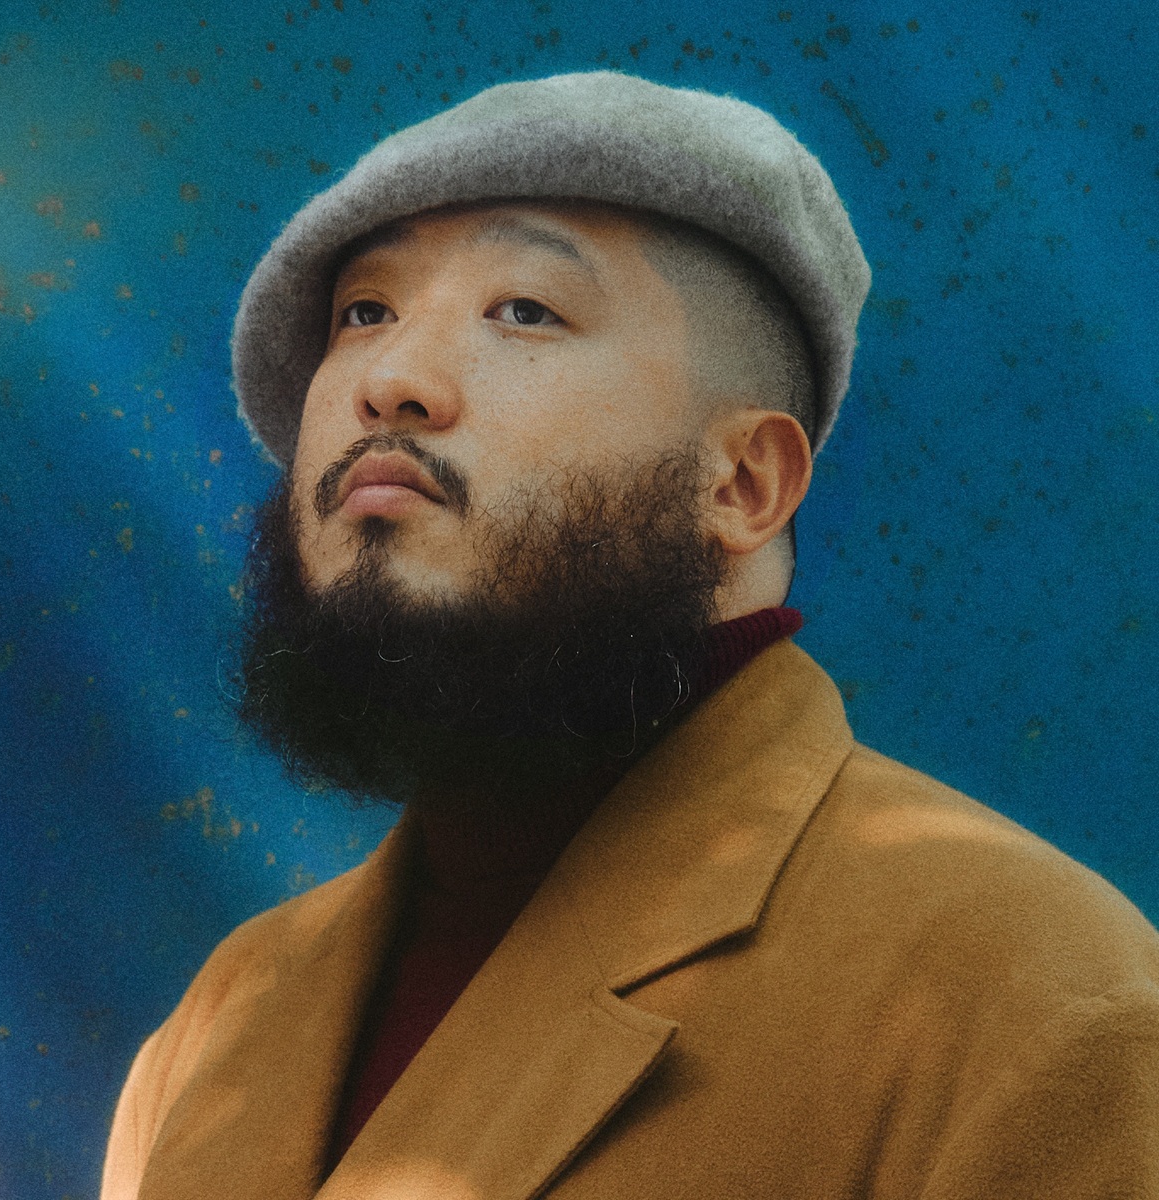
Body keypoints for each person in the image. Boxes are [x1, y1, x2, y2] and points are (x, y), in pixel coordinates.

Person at [100, 72, 1159, 1200]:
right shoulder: (221, 1019)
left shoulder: (1034, 997)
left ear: (744, 482)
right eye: (365, 312)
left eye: (525, 310)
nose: (391, 379)